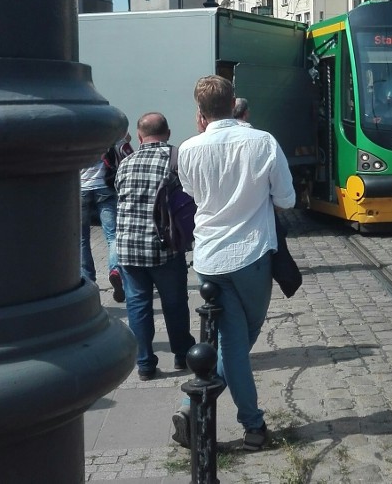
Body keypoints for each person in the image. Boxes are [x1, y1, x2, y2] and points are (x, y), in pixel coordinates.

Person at [172, 75, 296, 452]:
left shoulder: (189, 148)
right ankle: (249, 424)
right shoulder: (262, 142)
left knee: (232, 341)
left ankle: (198, 410)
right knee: (240, 341)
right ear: (234, 104)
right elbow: (287, 199)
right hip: (252, 256)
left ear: (200, 112)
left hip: (209, 258)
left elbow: (193, 192)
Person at [114, 113, 196, 381]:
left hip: (127, 247)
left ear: (139, 136)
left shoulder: (125, 163)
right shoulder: (175, 158)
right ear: (169, 132)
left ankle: (145, 363)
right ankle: (183, 353)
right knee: (174, 302)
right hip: (163, 245)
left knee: (138, 305)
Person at [80, 133, 133, 302]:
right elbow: (127, 138)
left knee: (82, 239)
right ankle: (115, 270)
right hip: (104, 186)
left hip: (80, 188)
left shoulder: (76, 131)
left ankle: (88, 281)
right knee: (112, 235)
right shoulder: (103, 128)